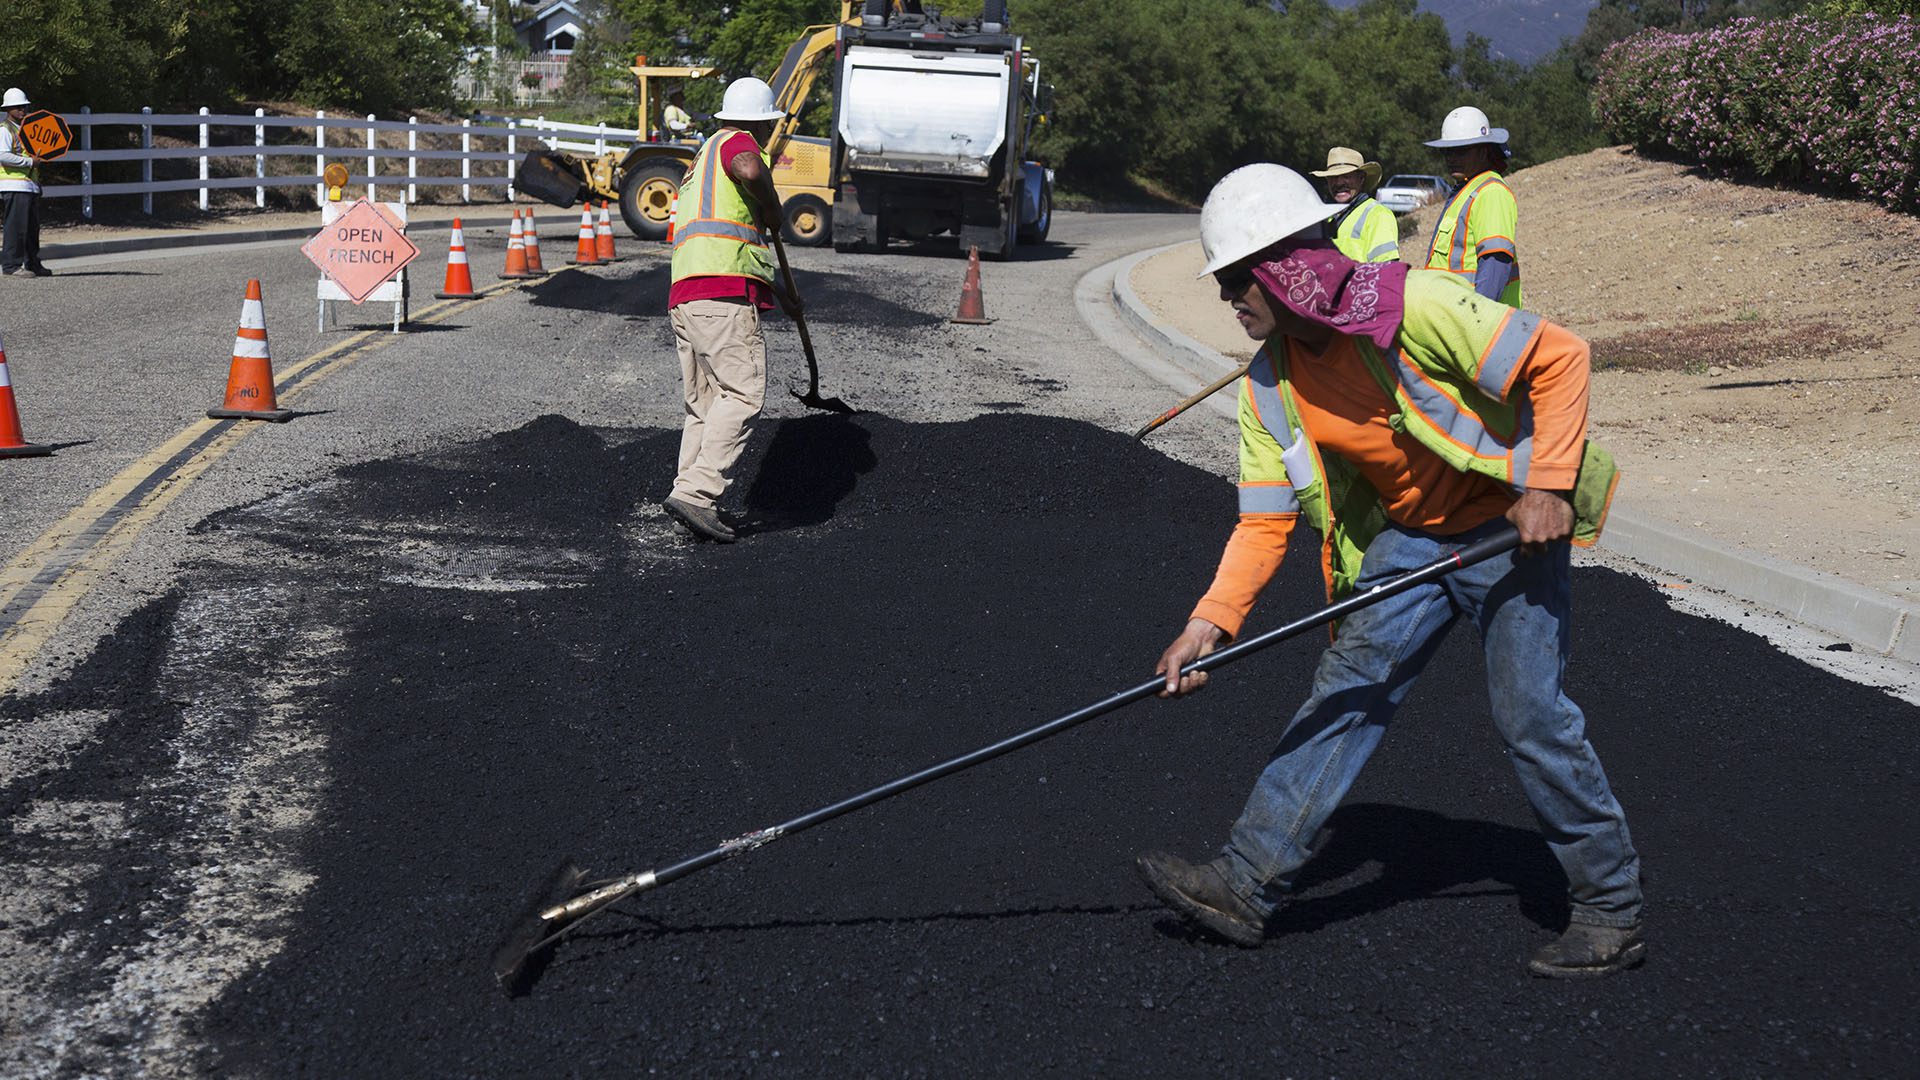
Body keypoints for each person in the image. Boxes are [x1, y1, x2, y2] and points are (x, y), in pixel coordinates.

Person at [1136, 163, 1645, 978]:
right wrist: (1210, 622)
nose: (1227, 298)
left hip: (1504, 530)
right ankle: (1245, 882)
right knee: (1345, 693)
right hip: (1409, 539)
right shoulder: (1270, 384)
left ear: (1284, 269)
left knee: (1531, 719)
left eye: (1236, 280)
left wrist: (1547, 486)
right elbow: (1264, 521)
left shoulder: (1420, 309)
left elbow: (1561, 356)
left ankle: (1610, 906)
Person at [662, 76, 800, 544]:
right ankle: (699, 495)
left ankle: (687, 493)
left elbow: (733, 244)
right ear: (761, 122)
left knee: (703, 404)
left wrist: (782, 294)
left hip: (688, 294)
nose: (767, 137)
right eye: (769, 127)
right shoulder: (739, 143)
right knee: (742, 395)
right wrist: (774, 206)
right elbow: (752, 171)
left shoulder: (701, 157)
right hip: (721, 296)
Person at [1422, 106, 1517, 306]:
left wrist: (1477, 318)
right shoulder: (1466, 190)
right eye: (1447, 151)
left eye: (1461, 151)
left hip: (1473, 325)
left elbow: (1495, 264)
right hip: (1452, 319)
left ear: (1483, 151)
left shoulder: (1490, 192)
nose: (1452, 158)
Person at [1310, 146, 1399, 264]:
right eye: (1333, 177)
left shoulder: (1378, 215)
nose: (1339, 182)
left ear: (1361, 178)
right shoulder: (1329, 218)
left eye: (1346, 176)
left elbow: (1387, 269)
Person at [0, 87, 50, 277]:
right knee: (16, 228)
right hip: (13, 185)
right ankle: (11, 266)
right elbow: (2, 156)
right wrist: (30, 162)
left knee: (31, 228)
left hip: (29, 185)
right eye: (18, 106)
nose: (22, 110)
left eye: (24, 106)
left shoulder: (28, 130)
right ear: (8, 109)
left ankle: (32, 264)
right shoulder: (4, 130)